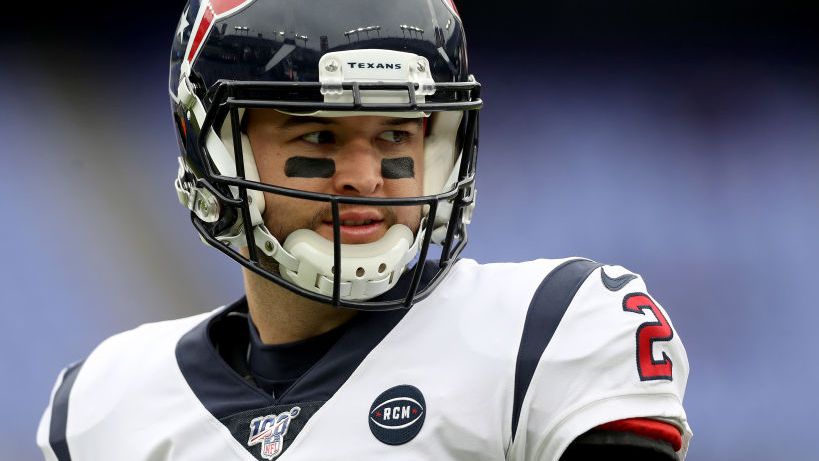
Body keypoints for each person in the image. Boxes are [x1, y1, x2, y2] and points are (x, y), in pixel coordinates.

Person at [37, 1, 692, 460]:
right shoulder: (105, 405)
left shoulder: (549, 330)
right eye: (318, 134)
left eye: (395, 135)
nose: (364, 176)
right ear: (214, 151)